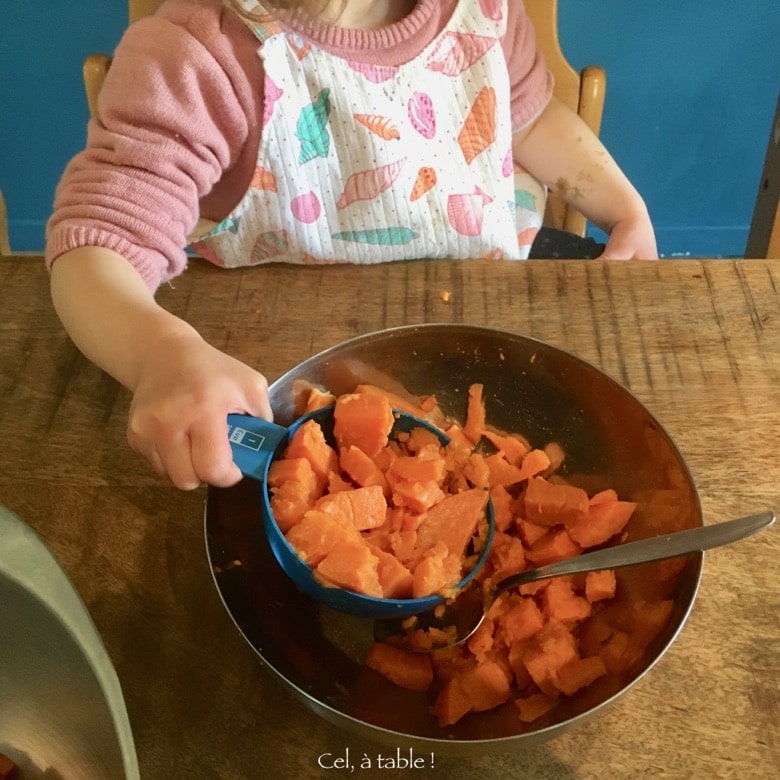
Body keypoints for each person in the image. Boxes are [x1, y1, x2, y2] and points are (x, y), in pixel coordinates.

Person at [46, 0, 657, 490]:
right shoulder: (200, 55)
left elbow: (529, 118)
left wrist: (623, 208)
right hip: (274, 375)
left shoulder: (486, 15)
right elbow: (96, 250)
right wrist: (160, 354)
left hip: (485, 343)